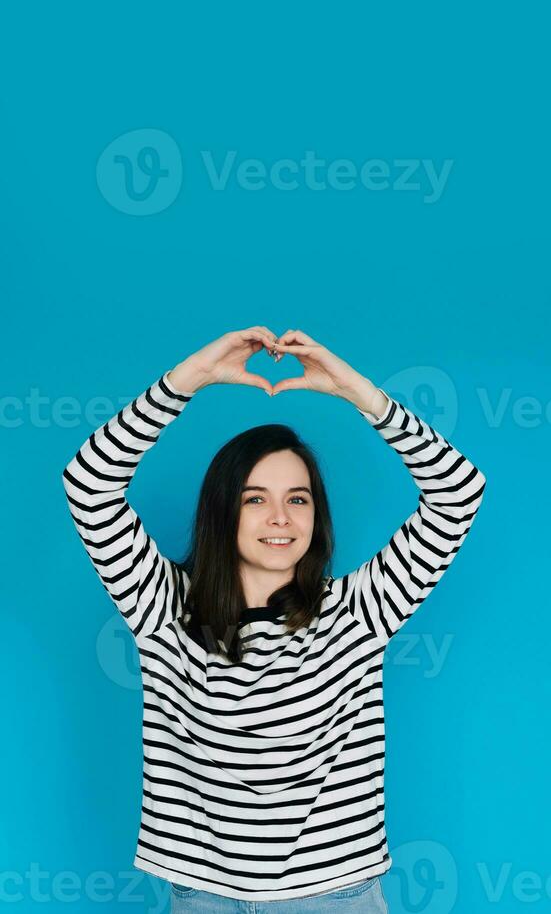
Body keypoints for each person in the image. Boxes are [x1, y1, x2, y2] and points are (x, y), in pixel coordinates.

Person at [61, 326, 486, 913]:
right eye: (255, 497)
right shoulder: (161, 606)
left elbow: (457, 492)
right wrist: (190, 379)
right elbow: (87, 484)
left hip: (338, 896)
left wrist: (361, 394)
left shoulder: (360, 610)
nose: (280, 517)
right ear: (223, 509)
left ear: (317, 514)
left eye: (299, 498)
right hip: (203, 898)